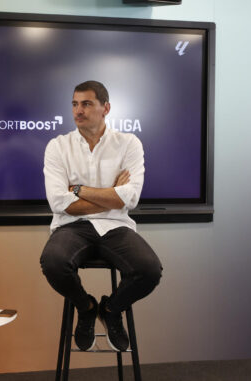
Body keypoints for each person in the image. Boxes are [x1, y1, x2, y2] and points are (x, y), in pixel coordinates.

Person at [40, 81, 162, 352]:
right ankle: (85, 307)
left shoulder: (129, 143)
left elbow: (130, 198)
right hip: (72, 227)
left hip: (116, 227)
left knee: (149, 270)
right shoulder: (57, 147)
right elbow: (60, 202)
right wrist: (111, 196)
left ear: (105, 108)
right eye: (74, 104)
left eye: (86, 103)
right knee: (53, 263)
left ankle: (110, 309)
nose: (78, 110)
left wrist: (80, 190)